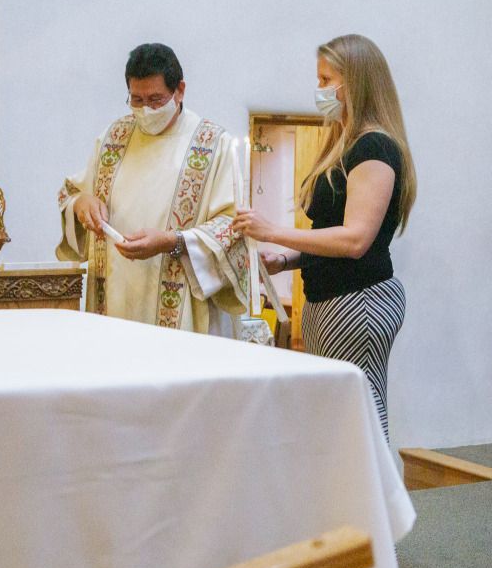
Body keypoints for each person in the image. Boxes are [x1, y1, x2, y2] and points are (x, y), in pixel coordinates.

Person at [232, 34, 416, 442]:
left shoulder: (374, 147)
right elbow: (327, 232)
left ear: (355, 82)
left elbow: (355, 240)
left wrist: (272, 230)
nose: (319, 89)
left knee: (355, 413)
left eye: (326, 79)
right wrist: (286, 260)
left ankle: (370, 485)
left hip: (358, 298)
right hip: (331, 297)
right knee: (333, 414)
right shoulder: (345, 143)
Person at [56, 43, 248, 335]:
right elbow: (71, 193)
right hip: (115, 301)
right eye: (136, 99)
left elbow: (232, 228)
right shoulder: (113, 137)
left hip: (183, 309)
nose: (145, 110)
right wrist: (82, 203)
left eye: (156, 100)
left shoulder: (212, 144)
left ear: (179, 90)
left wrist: (172, 241)